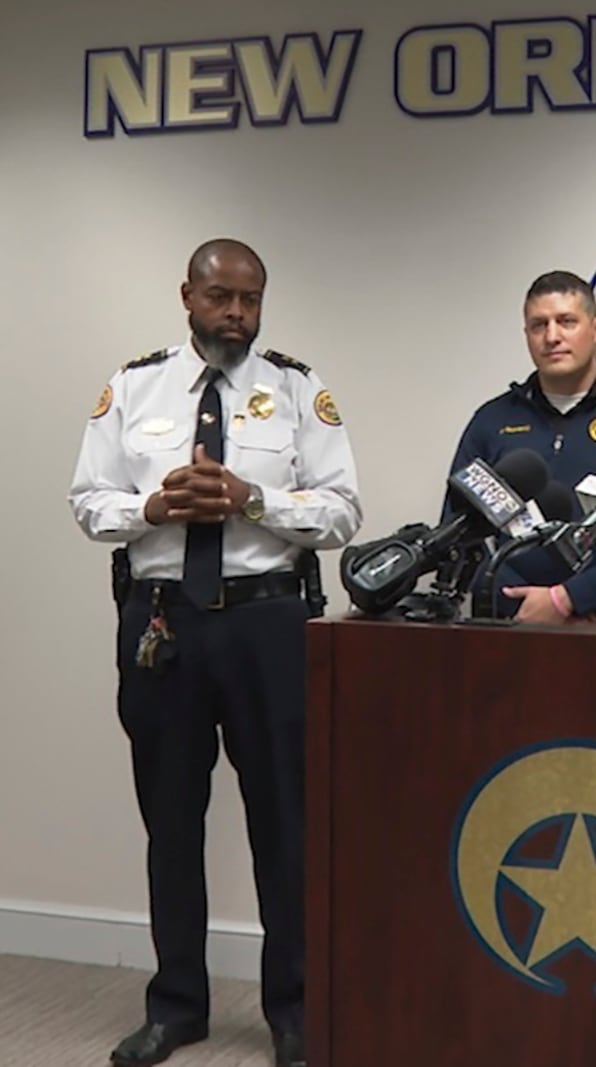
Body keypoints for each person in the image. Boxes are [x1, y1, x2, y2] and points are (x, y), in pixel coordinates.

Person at [69, 239, 362, 1067]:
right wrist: (154, 507)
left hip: (269, 623)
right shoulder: (132, 388)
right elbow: (88, 501)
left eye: (250, 298)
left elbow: (344, 512)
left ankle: (294, 1008)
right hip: (163, 624)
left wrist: (253, 497)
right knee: (169, 818)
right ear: (187, 296)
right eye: (221, 296)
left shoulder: (299, 389)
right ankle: (177, 1005)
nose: (236, 312)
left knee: (285, 821)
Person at [446, 270, 596, 625]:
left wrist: (571, 600)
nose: (552, 336)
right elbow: (457, 531)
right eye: (538, 325)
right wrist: (524, 605)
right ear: (526, 335)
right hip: (508, 628)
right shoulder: (491, 421)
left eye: (567, 321)